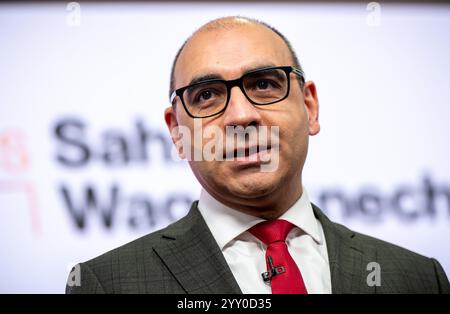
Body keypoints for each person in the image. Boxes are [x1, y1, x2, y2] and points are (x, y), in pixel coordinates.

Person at [66, 16, 449, 294]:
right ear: (177, 133)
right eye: (207, 95)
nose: (241, 115)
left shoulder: (417, 278)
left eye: (264, 84)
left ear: (310, 107)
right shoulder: (107, 284)